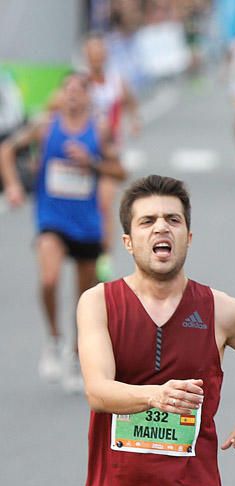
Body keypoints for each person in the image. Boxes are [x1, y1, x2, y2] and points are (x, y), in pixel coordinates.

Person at [77, 174, 235, 486]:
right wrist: (156, 395)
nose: (162, 228)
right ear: (128, 242)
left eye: (173, 220)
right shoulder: (99, 303)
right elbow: (98, 392)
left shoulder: (222, 311)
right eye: (147, 221)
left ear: (188, 238)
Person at [0, 72, 126, 392]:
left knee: (84, 301)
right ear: (61, 95)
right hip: (51, 219)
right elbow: (6, 152)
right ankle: (54, 339)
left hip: (86, 224)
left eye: (78, 91)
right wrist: (14, 185)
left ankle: (74, 355)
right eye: (67, 90)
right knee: (49, 278)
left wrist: (92, 164)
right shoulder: (45, 126)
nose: (71, 96)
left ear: (87, 97)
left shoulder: (98, 130)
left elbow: (119, 170)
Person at [84, 33, 140, 281]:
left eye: (100, 53)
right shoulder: (81, 83)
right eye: (92, 54)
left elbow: (131, 102)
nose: (96, 58)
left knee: (105, 202)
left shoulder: (116, 81)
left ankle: (104, 256)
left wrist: (134, 121)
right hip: (85, 150)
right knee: (90, 204)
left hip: (110, 152)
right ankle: (86, 248)